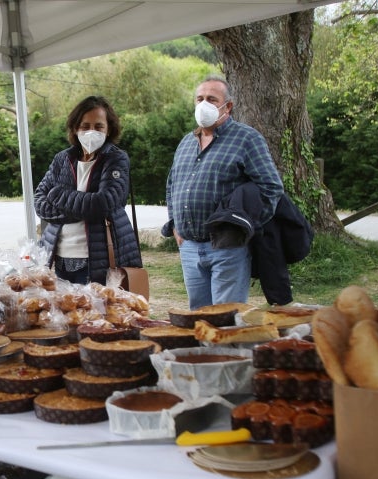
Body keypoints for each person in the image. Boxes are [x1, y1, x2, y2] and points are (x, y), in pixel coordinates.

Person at [164, 75, 284, 309]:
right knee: (199, 318)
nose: (203, 104)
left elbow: (271, 188)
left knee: (226, 319)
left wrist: (244, 228)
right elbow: (172, 185)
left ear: (227, 106)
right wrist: (175, 225)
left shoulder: (247, 138)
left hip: (228, 248)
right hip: (189, 247)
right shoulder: (187, 142)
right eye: (199, 98)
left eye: (211, 99)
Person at [34, 96, 142, 285]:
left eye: (98, 126)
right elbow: (40, 203)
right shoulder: (62, 159)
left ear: (108, 129)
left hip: (98, 259)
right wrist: (81, 209)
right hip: (59, 256)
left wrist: (57, 194)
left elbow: (103, 203)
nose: (91, 132)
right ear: (75, 129)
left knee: (97, 313)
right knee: (64, 313)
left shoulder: (116, 159)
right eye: (85, 126)